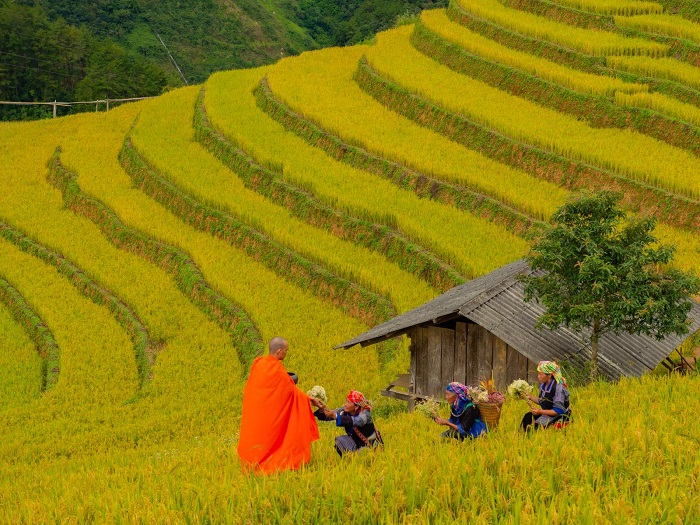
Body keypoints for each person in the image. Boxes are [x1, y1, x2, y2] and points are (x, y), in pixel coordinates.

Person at [237, 337, 320, 474]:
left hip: (258, 412)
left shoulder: (258, 364)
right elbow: (291, 392)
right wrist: (310, 400)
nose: (286, 353)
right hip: (270, 414)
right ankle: (270, 461)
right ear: (279, 351)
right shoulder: (277, 369)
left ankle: (252, 461)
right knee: (273, 438)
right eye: (286, 350)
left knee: (258, 437)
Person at [312, 390, 383, 457]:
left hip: (370, 445)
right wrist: (321, 408)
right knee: (340, 441)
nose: (345, 404)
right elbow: (329, 415)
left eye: (348, 402)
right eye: (346, 401)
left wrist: (335, 416)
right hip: (356, 442)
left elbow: (356, 421)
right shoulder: (344, 411)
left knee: (364, 455)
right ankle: (348, 461)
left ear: (356, 406)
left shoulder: (365, 414)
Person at [521, 360, 572, 432]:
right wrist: (530, 397)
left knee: (536, 428)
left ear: (549, 375)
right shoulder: (543, 385)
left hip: (559, 416)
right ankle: (522, 436)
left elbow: (558, 411)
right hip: (548, 414)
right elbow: (543, 401)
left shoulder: (558, 389)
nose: (538, 376)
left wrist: (540, 411)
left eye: (540, 374)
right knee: (528, 417)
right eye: (538, 374)